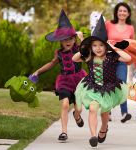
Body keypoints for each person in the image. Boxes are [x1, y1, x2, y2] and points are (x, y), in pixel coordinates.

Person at [73, 16, 131, 148]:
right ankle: (93, 135)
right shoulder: (89, 56)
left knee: (104, 113)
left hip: (108, 88)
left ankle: (104, 128)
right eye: (94, 45)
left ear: (106, 46)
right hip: (93, 87)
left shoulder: (112, 57)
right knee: (93, 109)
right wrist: (84, 46)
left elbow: (128, 58)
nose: (98, 48)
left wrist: (114, 47)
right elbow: (74, 58)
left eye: (101, 45)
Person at [32, 9, 86, 141]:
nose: (68, 41)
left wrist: (82, 39)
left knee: (79, 107)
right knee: (65, 104)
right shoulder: (59, 53)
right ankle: (64, 132)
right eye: (64, 39)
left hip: (79, 80)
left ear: (74, 39)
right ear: (60, 41)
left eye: (70, 38)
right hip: (64, 82)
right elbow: (51, 64)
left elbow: (87, 51)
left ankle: (77, 115)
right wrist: (38, 71)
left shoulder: (78, 49)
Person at [105, 2, 136, 123]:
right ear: (116, 12)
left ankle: (124, 112)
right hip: (108, 58)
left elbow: (133, 46)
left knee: (122, 85)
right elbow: (101, 39)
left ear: (128, 13)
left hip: (122, 59)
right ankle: (107, 111)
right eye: (120, 11)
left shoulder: (130, 28)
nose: (122, 13)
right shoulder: (108, 24)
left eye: (125, 11)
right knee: (108, 84)